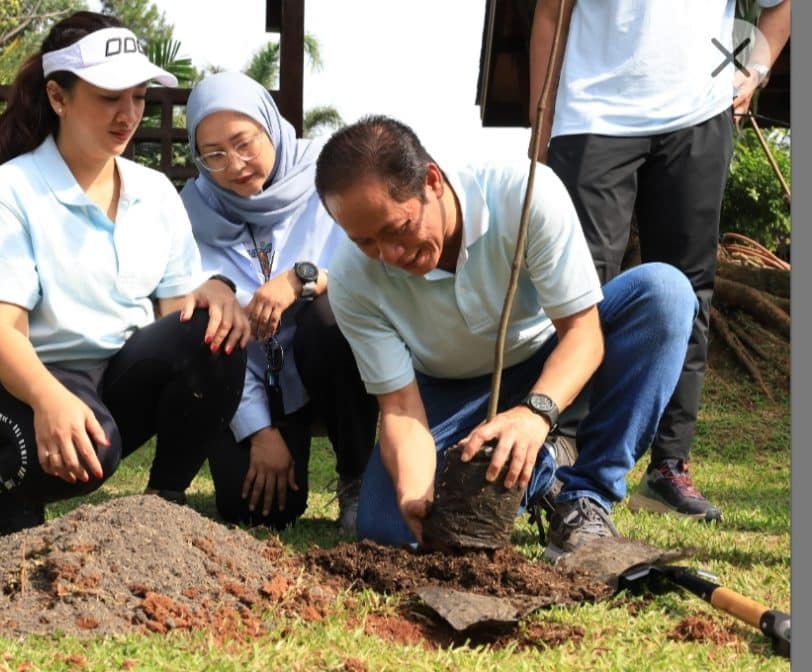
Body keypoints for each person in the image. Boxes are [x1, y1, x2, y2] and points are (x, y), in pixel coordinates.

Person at [314, 115, 697, 560]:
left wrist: (535, 414)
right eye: (366, 242)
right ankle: (540, 473)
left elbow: (582, 334)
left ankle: (585, 497)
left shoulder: (524, 195)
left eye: (398, 229)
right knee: (388, 527)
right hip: (448, 391)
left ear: (432, 181)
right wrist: (417, 495)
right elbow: (400, 407)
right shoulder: (351, 277)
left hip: (548, 359)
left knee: (664, 293)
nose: (390, 255)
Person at [0, 12, 250, 536]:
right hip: (19, 378)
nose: (128, 114)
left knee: (215, 331)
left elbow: (176, 316)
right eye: (109, 97)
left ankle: (166, 502)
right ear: (58, 97)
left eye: (137, 96)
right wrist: (47, 399)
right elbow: (1, 331)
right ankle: (10, 488)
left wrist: (213, 295)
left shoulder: (155, 191)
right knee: (93, 449)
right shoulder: (8, 194)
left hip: (114, 373)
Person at [529, 0, 791, 522]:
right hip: (591, 114)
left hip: (698, 115)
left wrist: (755, 70)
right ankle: (560, 448)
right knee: (578, 287)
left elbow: (781, 8)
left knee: (692, 290)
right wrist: (542, 130)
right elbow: (549, 17)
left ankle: (669, 464)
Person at [178, 71, 378, 533]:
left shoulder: (329, 177)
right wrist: (259, 430)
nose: (235, 163)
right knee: (257, 512)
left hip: (332, 365)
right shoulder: (192, 213)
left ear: (269, 124)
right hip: (250, 377)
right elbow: (210, 333)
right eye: (214, 155)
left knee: (329, 318)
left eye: (244, 142)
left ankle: (357, 476)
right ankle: (273, 437)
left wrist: (303, 279)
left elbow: (376, 271)